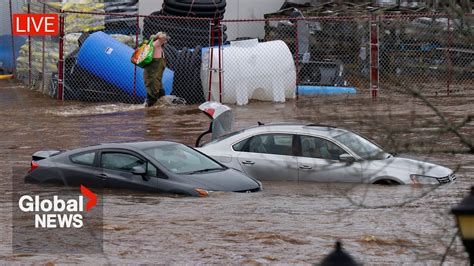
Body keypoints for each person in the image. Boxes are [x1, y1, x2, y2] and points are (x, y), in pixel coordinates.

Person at [143, 32, 168, 107]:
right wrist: (158, 35)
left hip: (156, 79)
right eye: (165, 39)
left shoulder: (158, 46)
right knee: (152, 96)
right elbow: (162, 37)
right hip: (153, 79)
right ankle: (149, 110)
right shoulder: (156, 44)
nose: (166, 41)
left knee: (160, 93)